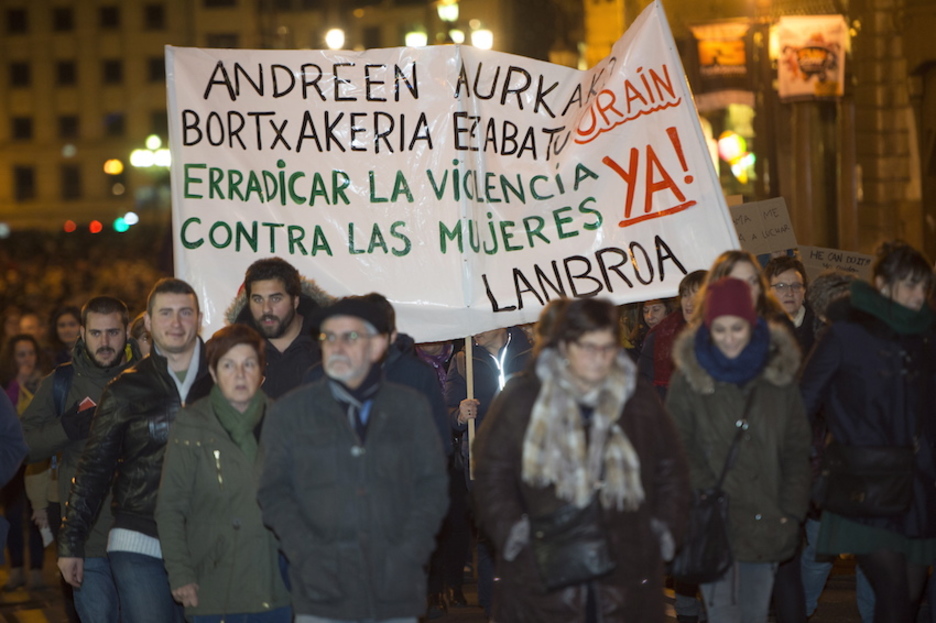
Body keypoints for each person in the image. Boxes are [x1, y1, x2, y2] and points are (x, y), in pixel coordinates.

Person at [472, 297, 690, 622]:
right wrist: (514, 533)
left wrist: (662, 530)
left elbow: (671, 468)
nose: (599, 358)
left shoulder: (635, 397)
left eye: (606, 347)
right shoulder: (523, 397)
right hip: (542, 573)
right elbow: (491, 473)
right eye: (588, 347)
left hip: (625, 573)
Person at [258, 296, 448, 623]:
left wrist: (411, 549)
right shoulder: (290, 411)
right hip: (322, 590)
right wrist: (305, 551)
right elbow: (275, 490)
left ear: (375, 347)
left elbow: (431, 484)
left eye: (350, 336)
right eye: (329, 337)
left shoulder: (409, 408)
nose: (338, 346)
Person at [58, 278, 213, 623]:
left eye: (185, 312)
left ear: (198, 318)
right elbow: (94, 468)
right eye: (165, 313)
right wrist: (72, 543)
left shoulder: (222, 379)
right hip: (139, 539)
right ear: (149, 323)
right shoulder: (125, 388)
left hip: (206, 541)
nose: (175, 323)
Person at [800, 241, 936, 623]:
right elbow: (802, 404)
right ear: (880, 282)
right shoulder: (846, 332)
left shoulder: (926, 334)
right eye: (908, 284)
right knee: (892, 595)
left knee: (908, 599)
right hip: (863, 485)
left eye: (923, 286)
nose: (917, 295)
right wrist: (814, 469)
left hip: (918, 485)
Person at [666, 277, 811, 623]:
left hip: (766, 520)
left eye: (737, 327)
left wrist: (790, 511)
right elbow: (677, 447)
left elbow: (796, 449)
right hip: (715, 521)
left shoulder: (777, 379)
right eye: (720, 328)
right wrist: (706, 493)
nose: (729, 337)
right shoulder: (688, 380)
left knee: (754, 612)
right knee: (726, 614)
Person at [156, 324, 291, 622]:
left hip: (273, 584)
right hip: (212, 585)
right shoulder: (192, 423)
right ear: (214, 374)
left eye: (249, 364)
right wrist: (180, 574)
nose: (240, 375)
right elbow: (170, 508)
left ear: (261, 372)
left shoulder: (283, 419)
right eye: (228, 365)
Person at [21, 296, 140, 622]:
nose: (105, 342)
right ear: (83, 334)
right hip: (87, 542)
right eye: (96, 333)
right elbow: (22, 446)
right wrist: (65, 429)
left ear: (127, 331)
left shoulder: (148, 378)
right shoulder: (61, 383)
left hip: (143, 539)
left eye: (113, 333)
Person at [444, 324, 531, 616]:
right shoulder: (463, 360)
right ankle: (494, 606)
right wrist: (459, 414)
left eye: (479, 324)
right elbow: (446, 411)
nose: (472, 331)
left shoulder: (534, 352)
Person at [226, 256, 333, 398]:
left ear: (295, 301)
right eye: (258, 299)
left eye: (275, 298)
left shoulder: (330, 347)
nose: (266, 309)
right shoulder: (227, 349)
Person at [1, 333, 47, 590]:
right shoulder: (7, 383)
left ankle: (37, 569)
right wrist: (18, 382)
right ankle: (16, 568)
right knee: (14, 516)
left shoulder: (45, 382)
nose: (27, 359)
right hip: (11, 463)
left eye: (30, 353)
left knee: (37, 515)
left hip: (37, 458)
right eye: (21, 354)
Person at [638, 270, 707, 399]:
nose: (689, 302)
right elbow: (643, 386)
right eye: (685, 295)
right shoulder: (659, 336)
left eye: (696, 295)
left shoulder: (729, 336)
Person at [763, 256, 816, 356]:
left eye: (796, 286)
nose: (790, 293)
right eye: (781, 287)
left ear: (804, 290)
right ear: (767, 291)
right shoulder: (755, 328)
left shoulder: (819, 329)